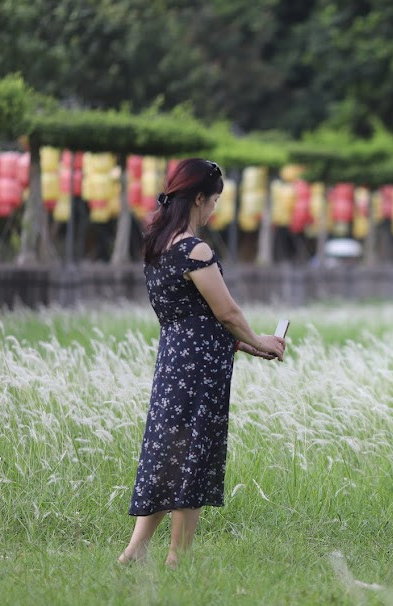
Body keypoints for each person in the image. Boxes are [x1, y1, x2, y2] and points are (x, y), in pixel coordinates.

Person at [118, 158, 286, 568]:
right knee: (191, 459)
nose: (213, 210)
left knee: (169, 456)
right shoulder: (195, 249)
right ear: (197, 199)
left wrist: (249, 347)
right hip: (200, 373)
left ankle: (135, 551)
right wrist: (260, 340)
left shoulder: (158, 246)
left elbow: (195, 320)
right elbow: (225, 312)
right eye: (212, 201)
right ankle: (178, 559)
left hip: (174, 363)